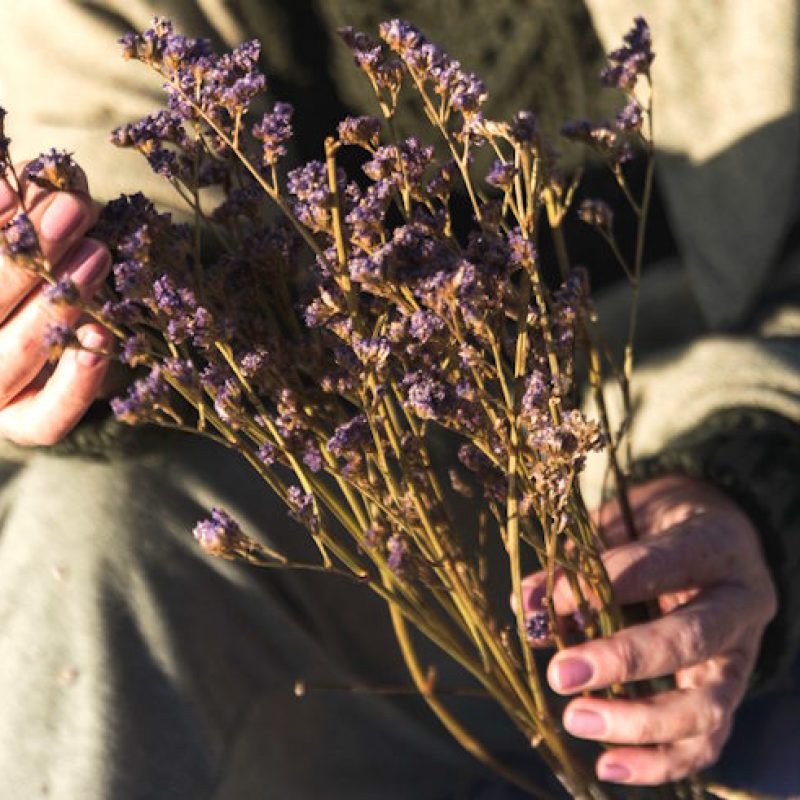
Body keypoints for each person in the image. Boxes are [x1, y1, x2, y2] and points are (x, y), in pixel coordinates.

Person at [0, 1, 798, 796]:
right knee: (93, 527)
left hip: (694, 446)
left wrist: (749, 467)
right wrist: (80, 342)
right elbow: (127, 198)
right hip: (374, 521)